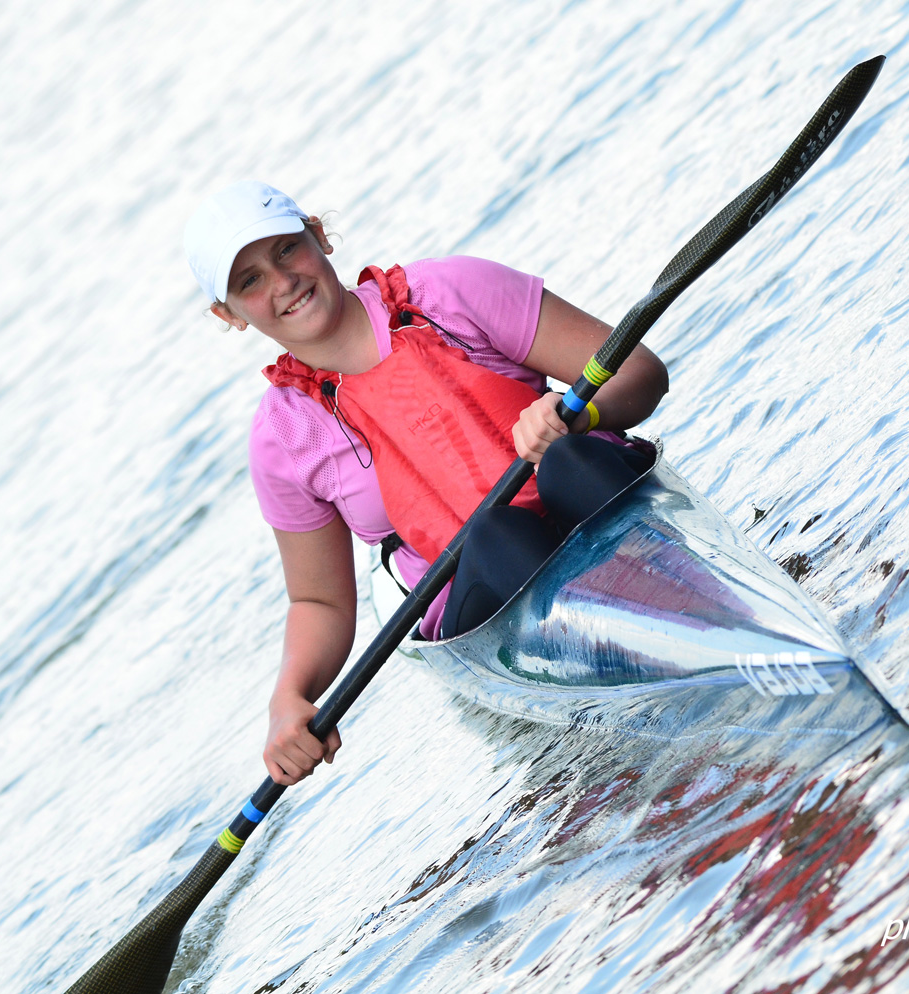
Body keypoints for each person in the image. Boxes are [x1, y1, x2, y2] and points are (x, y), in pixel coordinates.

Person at [184, 181, 668, 787]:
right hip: (490, 587)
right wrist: (289, 698)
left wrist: (582, 414)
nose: (281, 282)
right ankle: (634, 688)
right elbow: (321, 601)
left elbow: (641, 373)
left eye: (286, 250)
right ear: (227, 314)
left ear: (318, 235)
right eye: (249, 281)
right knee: (498, 536)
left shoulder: (450, 292)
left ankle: (678, 612)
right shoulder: (283, 439)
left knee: (572, 460)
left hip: (596, 500)